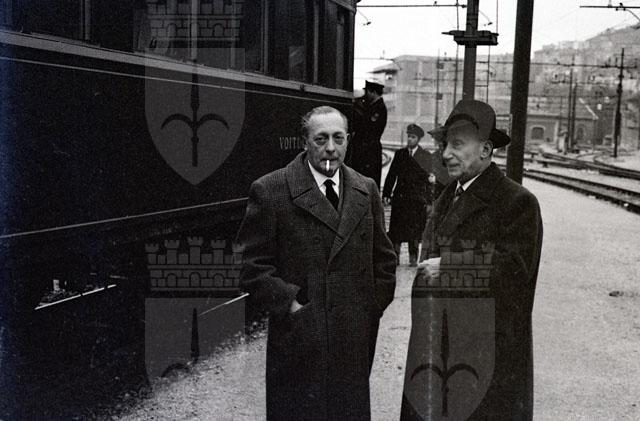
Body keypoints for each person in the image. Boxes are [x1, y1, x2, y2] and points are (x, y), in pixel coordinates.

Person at [236, 106, 397, 421]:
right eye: (321, 139)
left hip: (352, 338)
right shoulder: (271, 190)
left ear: (348, 140)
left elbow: (384, 259)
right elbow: (249, 264)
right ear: (304, 142)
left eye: (339, 138)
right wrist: (291, 303)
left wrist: (370, 307)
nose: (331, 148)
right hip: (300, 339)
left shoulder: (366, 189)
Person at [401, 99, 543, 421]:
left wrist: (449, 267)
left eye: (457, 144)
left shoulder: (518, 202)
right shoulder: (448, 196)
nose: (445, 154)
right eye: (445, 145)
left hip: (486, 361)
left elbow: (513, 271)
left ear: (486, 149)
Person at [382, 124, 433, 267]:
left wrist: (429, 200)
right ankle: (395, 256)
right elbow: (392, 175)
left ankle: (413, 258)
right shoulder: (400, 154)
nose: (410, 139)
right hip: (400, 198)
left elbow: (427, 181)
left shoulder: (425, 156)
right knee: (396, 230)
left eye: (413, 137)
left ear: (419, 139)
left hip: (416, 200)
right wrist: (386, 193)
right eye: (409, 136)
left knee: (414, 231)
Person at [349, 80, 388, 188]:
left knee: (367, 182)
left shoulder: (379, 108)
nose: (365, 95)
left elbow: (368, 127)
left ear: (373, 92)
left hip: (369, 150)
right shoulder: (371, 106)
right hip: (365, 149)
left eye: (367, 92)